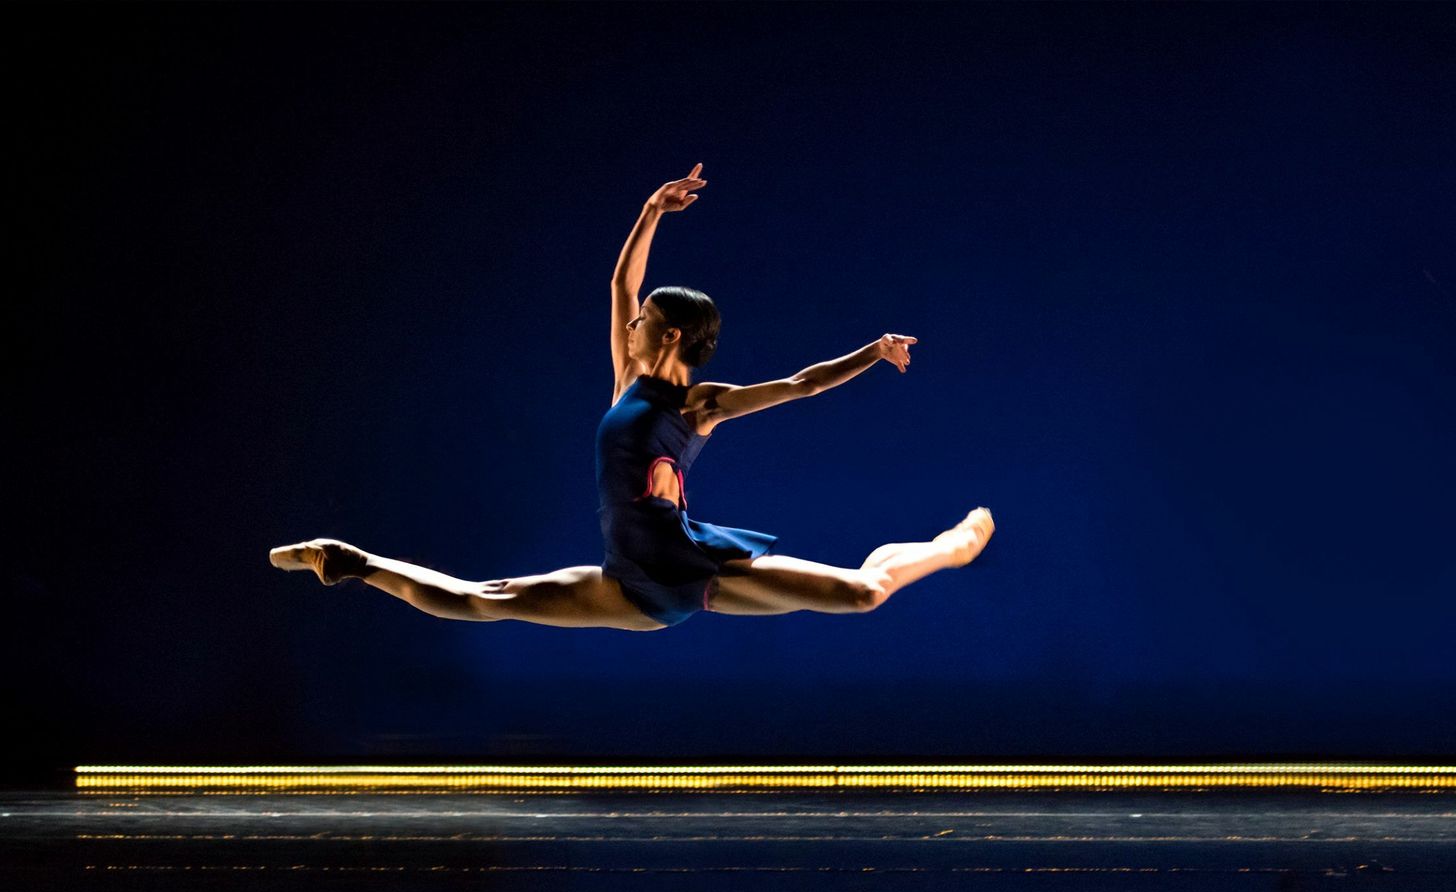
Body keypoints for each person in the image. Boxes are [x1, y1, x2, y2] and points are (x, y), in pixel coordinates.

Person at [271, 163, 994, 630]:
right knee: (478, 599)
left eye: (645, 320)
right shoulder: (628, 379)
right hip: (631, 583)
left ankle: (950, 546)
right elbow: (619, 286)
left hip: (696, 571)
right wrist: (651, 210)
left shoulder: (701, 406)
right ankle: (352, 561)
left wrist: (872, 351)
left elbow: (803, 384)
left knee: (865, 592)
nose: (633, 319)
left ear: (671, 335)